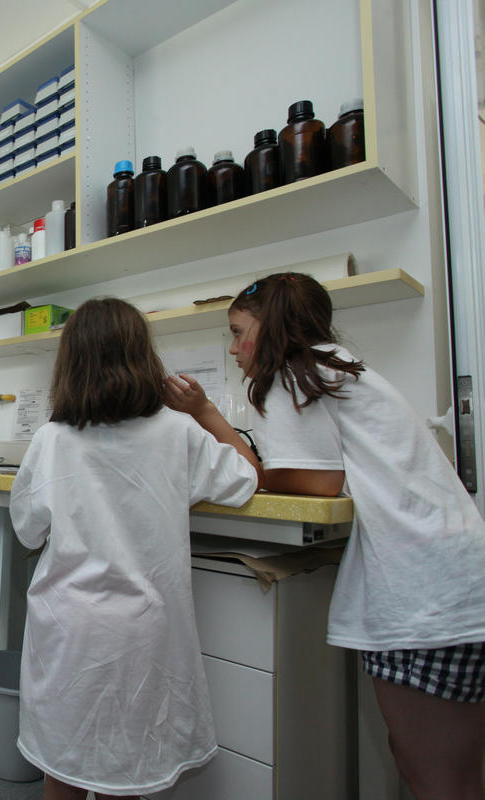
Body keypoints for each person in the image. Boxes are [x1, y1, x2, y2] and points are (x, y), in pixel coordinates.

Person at [171, 271, 484, 800]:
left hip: (428, 591)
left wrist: (210, 424)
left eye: (238, 332)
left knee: (433, 773)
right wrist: (207, 415)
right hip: (452, 577)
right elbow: (286, 473)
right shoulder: (331, 368)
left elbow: (312, 483)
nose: (233, 349)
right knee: (440, 766)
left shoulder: (293, 375)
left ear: (271, 328)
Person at [9, 297, 260, 800]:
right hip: (143, 633)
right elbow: (247, 475)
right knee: (127, 768)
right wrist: (204, 410)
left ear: (71, 364)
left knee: (62, 763)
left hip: (69, 630)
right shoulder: (178, 431)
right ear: (143, 356)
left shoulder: (52, 439)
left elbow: (27, 530)